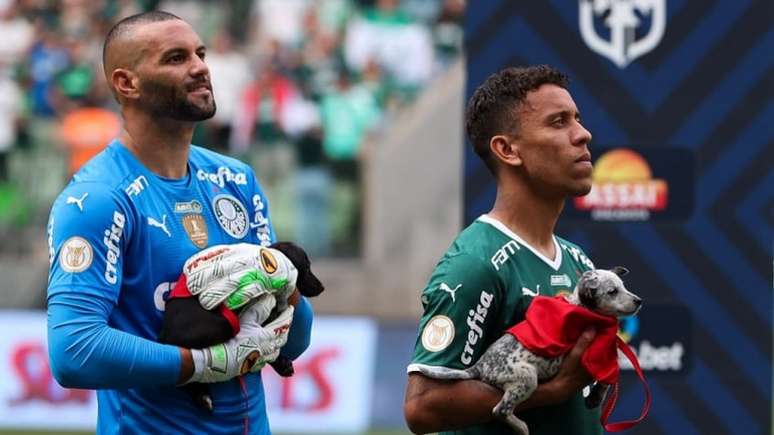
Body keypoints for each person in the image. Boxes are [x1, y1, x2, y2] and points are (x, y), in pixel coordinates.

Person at [45, 11, 314, 434]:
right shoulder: (97, 199)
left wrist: (287, 291)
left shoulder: (235, 181)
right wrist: (202, 364)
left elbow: (295, 342)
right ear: (126, 83)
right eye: (175, 58)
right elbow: (74, 350)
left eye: (200, 53)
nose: (200, 66)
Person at [403, 65, 601, 435]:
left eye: (577, 119)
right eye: (559, 122)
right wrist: (554, 389)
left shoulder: (578, 260)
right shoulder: (475, 263)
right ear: (508, 149)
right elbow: (422, 406)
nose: (583, 134)